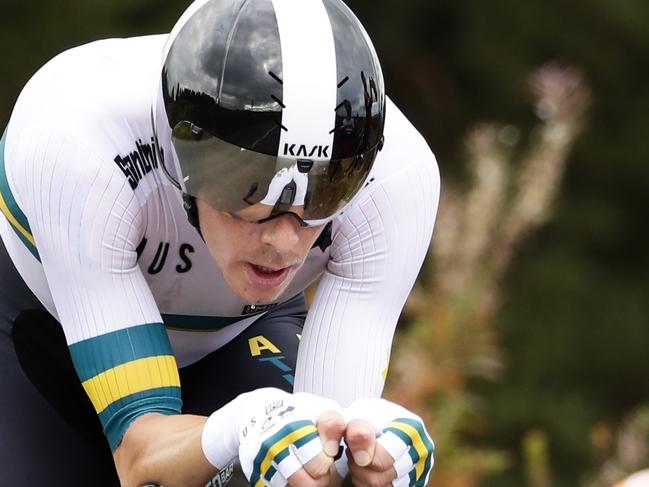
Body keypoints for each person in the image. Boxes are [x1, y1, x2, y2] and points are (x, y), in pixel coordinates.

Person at [0, 0, 440, 486]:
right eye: (249, 187)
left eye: (326, 193)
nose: (283, 240)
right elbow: (140, 460)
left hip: (237, 336)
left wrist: (365, 461)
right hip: (41, 332)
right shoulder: (77, 134)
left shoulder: (398, 176)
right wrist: (236, 424)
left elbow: (323, 459)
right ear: (185, 154)